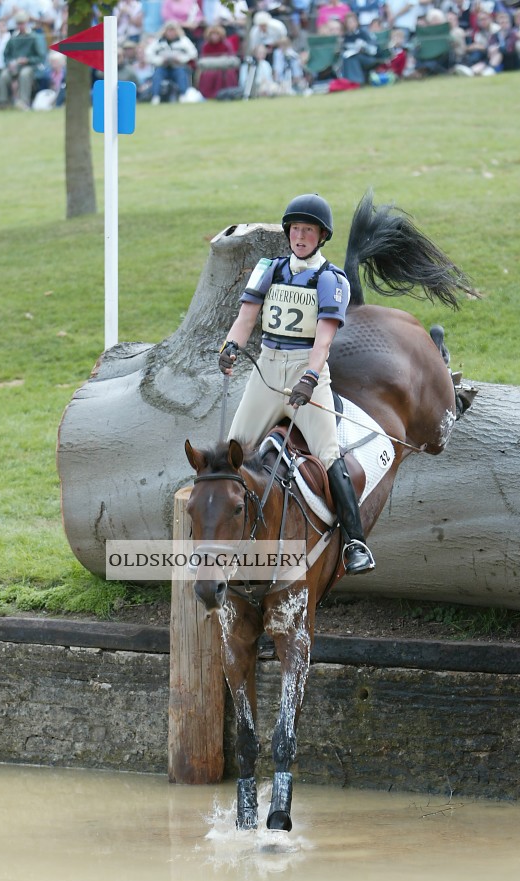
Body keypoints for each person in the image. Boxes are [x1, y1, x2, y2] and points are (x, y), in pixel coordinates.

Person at [218, 192, 375, 574]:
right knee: (230, 451)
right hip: (267, 371)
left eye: (308, 231)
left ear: (321, 237)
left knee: (329, 453)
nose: (300, 237)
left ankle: (355, 542)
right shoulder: (269, 268)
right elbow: (247, 316)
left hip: (307, 372)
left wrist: (309, 377)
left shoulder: (330, 279)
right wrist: (231, 346)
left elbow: (323, 339)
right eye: (296, 230)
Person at [0, 9, 45, 107]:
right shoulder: (13, 38)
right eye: (18, 24)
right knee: (3, 75)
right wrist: (10, 63)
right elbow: (6, 54)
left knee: (24, 74)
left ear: (27, 23)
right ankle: (3, 102)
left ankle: (23, 102)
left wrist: (28, 60)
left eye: (22, 23)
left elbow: (41, 56)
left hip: (31, 66)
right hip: (14, 66)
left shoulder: (34, 37)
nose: (20, 26)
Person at [144, 19, 197, 102]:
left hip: (178, 66)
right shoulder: (158, 42)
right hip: (162, 67)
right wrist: (160, 60)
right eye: (169, 31)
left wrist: (181, 59)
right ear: (165, 31)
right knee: (157, 74)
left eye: (173, 31)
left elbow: (193, 53)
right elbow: (148, 54)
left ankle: (183, 95)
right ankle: (155, 97)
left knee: (181, 73)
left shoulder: (183, 41)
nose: (171, 33)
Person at [335, 9, 381, 84]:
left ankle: (356, 81)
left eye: (352, 21)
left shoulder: (364, 33)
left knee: (353, 58)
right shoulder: (345, 37)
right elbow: (342, 51)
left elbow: (374, 50)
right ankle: (349, 81)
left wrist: (364, 48)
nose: (351, 24)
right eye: (348, 22)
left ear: (357, 22)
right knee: (348, 58)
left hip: (369, 58)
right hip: (352, 59)